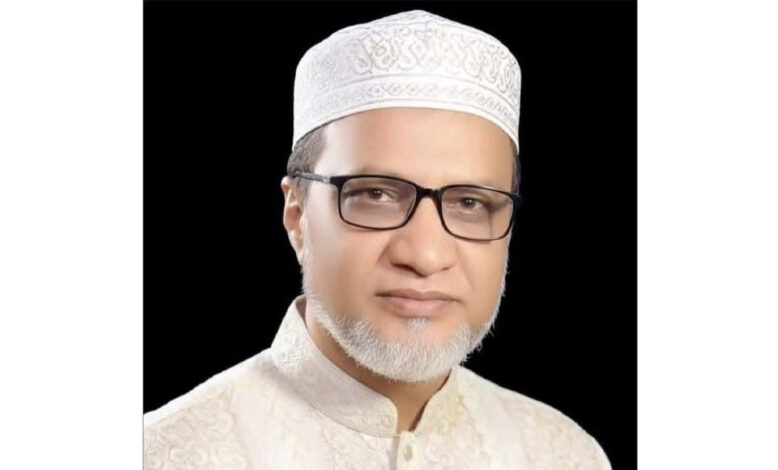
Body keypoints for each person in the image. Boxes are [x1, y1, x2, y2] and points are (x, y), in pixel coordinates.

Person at [144, 9, 612, 469]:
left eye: (470, 202)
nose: (426, 255)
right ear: (297, 215)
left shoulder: (564, 455)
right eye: (376, 195)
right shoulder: (162, 455)